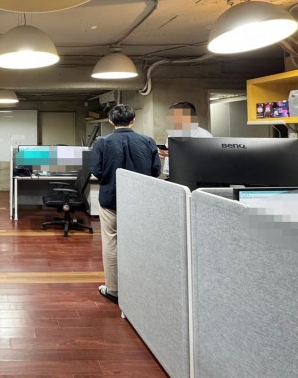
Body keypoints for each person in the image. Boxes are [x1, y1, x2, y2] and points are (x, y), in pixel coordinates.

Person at [90, 104, 161, 304]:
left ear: (110, 121)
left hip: (111, 200)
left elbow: (96, 171)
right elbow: (156, 171)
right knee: (140, 242)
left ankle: (113, 290)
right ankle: (139, 286)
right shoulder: (148, 141)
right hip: (141, 201)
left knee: (111, 242)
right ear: (133, 120)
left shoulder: (102, 143)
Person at [159, 101, 213, 177]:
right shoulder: (172, 134)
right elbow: (168, 153)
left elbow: (208, 160)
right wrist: (163, 153)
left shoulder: (204, 136)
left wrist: (176, 155)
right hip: (172, 175)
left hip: (194, 176)